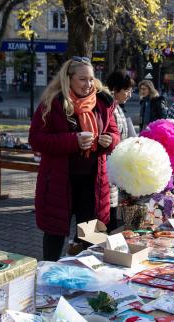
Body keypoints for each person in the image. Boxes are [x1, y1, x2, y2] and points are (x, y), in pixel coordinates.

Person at [29, 56, 120, 261]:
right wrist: (73, 141)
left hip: (92, 183)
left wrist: (110, 140)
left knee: (92, 240)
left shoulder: (102, 103)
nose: (88, 85)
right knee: (55, 235)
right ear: (68, 78)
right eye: (82, 79)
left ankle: (92, 280)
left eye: (91, 79)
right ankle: (48, 278)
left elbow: (115, 134)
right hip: (60, 182)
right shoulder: (52, 102)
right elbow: (36, 139)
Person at [105, 70, 135, 231]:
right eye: (126, 90)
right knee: (101, 222)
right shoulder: (108, 107)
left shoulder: (117, 107)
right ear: (115, 89)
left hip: (115, 172)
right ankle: (79, 247)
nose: (129, 94)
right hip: (108, 171)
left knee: (109, 220)